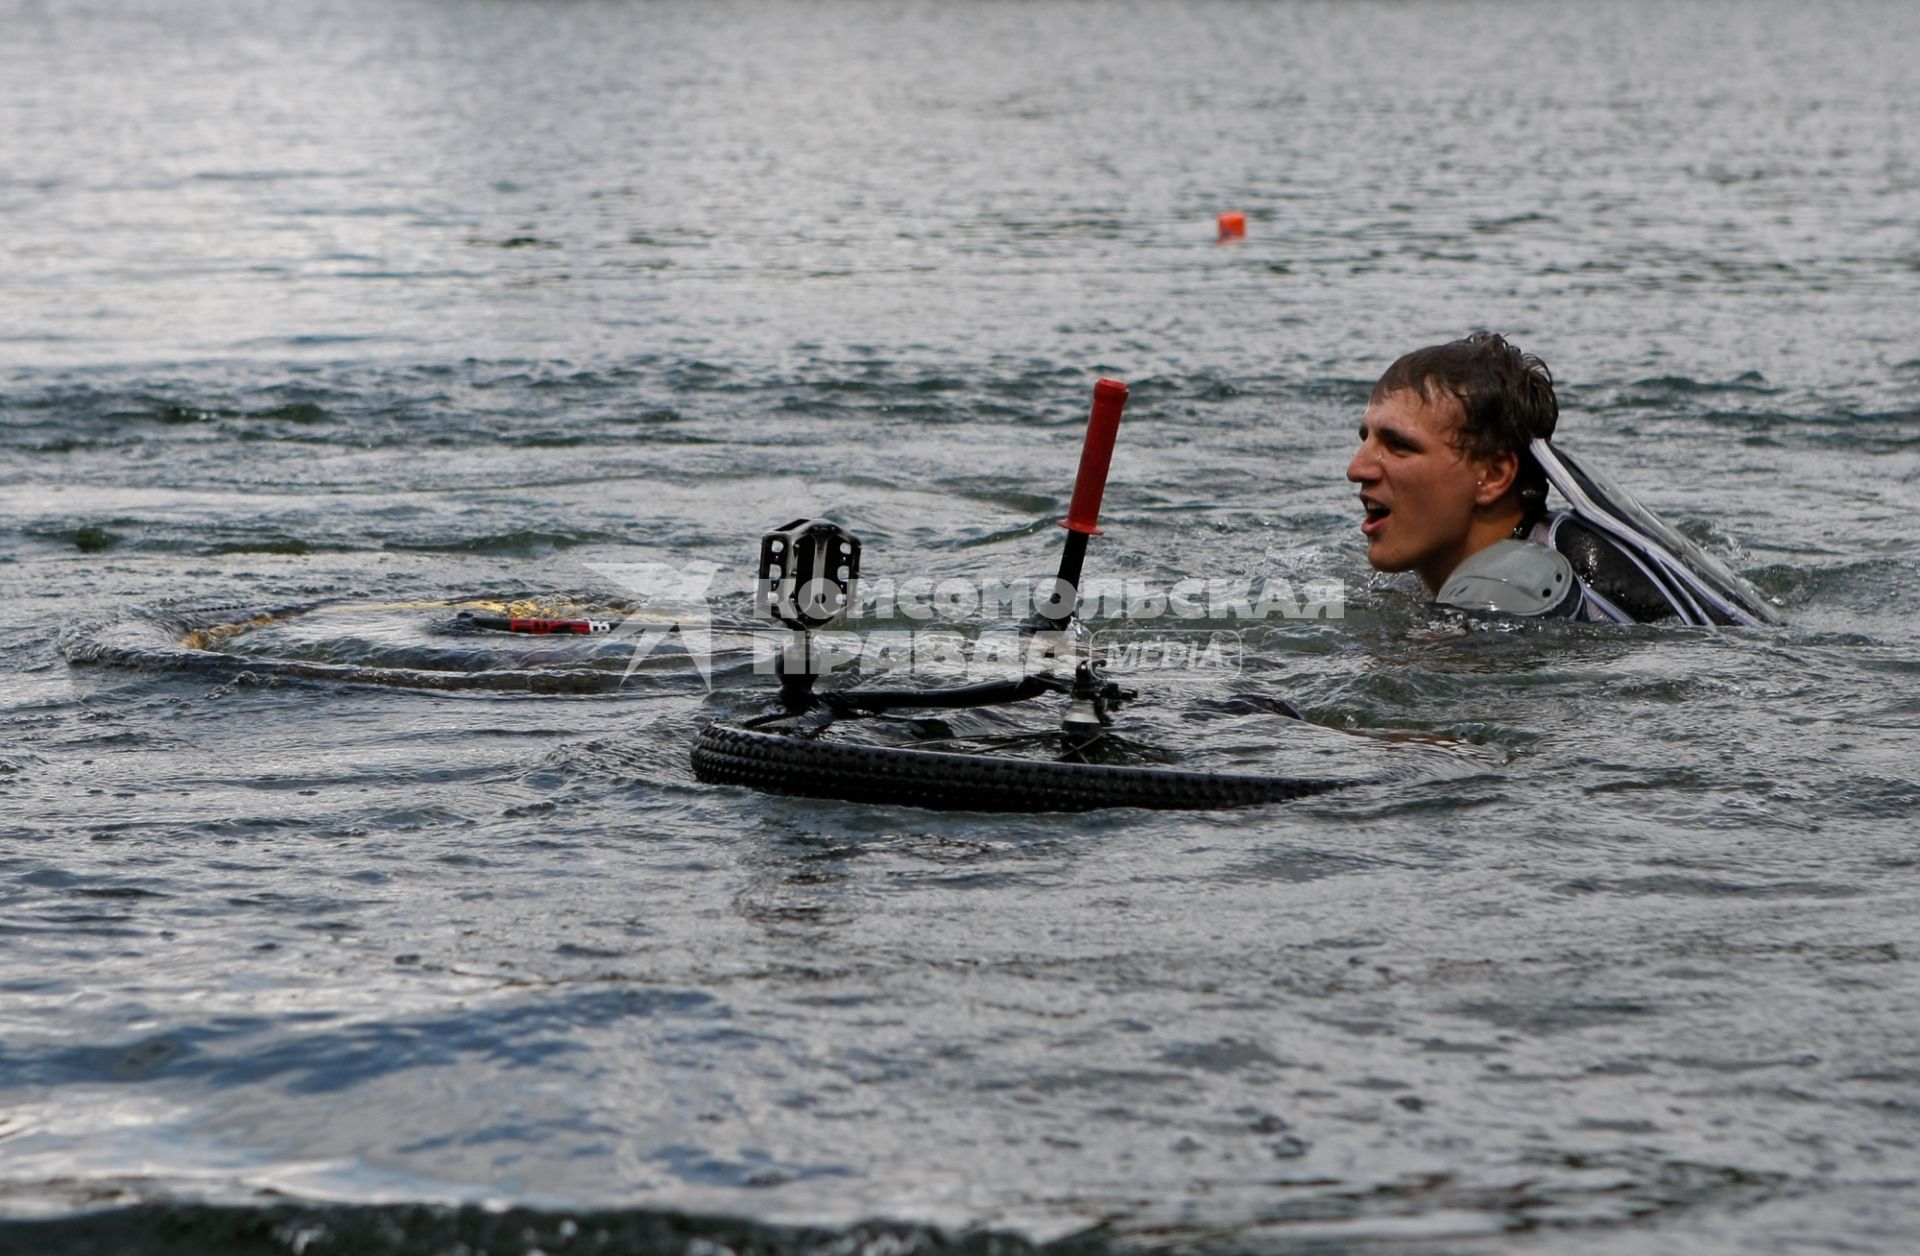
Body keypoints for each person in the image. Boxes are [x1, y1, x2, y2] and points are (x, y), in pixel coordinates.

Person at [1346, 333, 1780, 625]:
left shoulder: (1519, 599)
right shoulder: (1483, 563)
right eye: (1366, 438)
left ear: (1494, 475)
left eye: (1399, 445)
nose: (1357, 468)